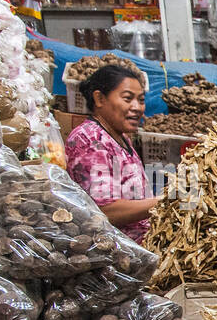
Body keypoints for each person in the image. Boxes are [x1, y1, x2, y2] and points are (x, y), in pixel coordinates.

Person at [64, 65, 159, 243]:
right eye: (128, 98)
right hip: (118, 252)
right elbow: (106, 211)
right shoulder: (90, 140)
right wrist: (164, 202)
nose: (137, 107)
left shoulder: (120, 137)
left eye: (141, 100)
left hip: (145, 242)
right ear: (99, 98)